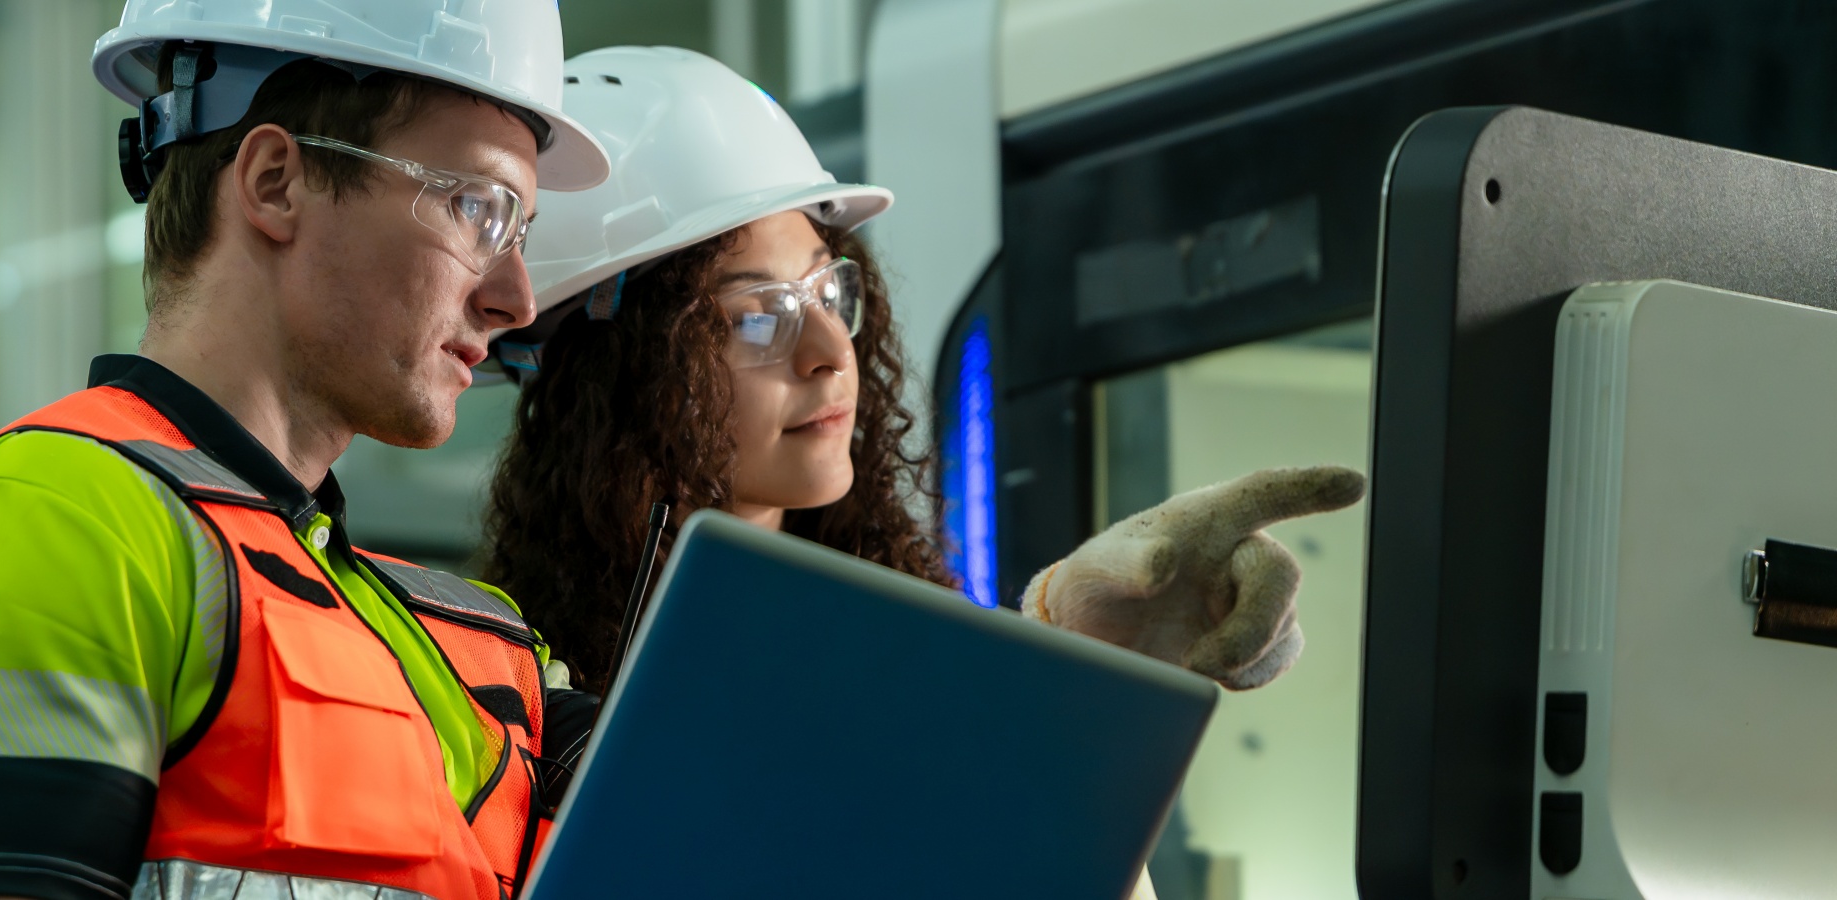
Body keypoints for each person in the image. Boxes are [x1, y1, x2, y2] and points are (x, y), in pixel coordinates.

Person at [0, 3, 608, 900]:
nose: (516, 298)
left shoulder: (446, 639)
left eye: (521, 232)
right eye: (477, 209)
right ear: (275, 182)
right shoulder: (40, 527)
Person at [480, 48, 1366, 847]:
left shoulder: (893, 655)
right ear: (602, 378)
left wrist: (1076, 678)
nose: (832, 351)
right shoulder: (506, 696)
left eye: (830, 291)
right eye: (757, 317)